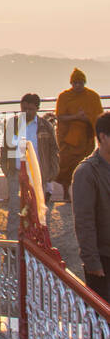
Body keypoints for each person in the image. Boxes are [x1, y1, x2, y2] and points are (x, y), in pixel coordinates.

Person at [3, 94, 59, 235]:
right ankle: (13, 241)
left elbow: (54, 149)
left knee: (37, 209)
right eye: (24, 108)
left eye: (30, 109)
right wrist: (6, 169)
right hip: (16, 173)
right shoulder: (12, 124)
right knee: (15, 209)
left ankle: (36, 240)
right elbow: (5, 148)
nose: (26, 112)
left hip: (38, 175)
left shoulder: (45, 126)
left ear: (37, 109)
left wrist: (52, 171)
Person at [72, 112, 110, 304]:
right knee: (102, 319)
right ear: (102, 137)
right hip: (103, 259)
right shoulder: (87, 172)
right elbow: (84, 221)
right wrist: (92, 262)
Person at [56, 69, 104, 201]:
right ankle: (66, 192)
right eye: (75, 83)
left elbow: (99, 118)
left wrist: (87, 119)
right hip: (68, 139)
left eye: (80, 83)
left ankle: (84, 194)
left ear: (84, 82)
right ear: (71, 83)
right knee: (66, 166)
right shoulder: (64, 97)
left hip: (86, 138)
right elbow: (60, 117)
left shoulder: (93, 97)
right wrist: (76, 117)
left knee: (85, 166)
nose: (77, 85)